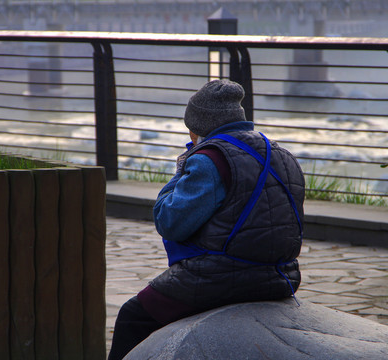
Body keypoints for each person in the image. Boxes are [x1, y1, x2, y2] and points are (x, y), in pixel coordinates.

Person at [108, 79, 305, 360]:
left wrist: (182, 168)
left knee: (132, 316)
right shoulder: (283, 155)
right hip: (282, 276)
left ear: (198, 127)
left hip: (222, 278)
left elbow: (170, 222)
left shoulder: (210, 158)